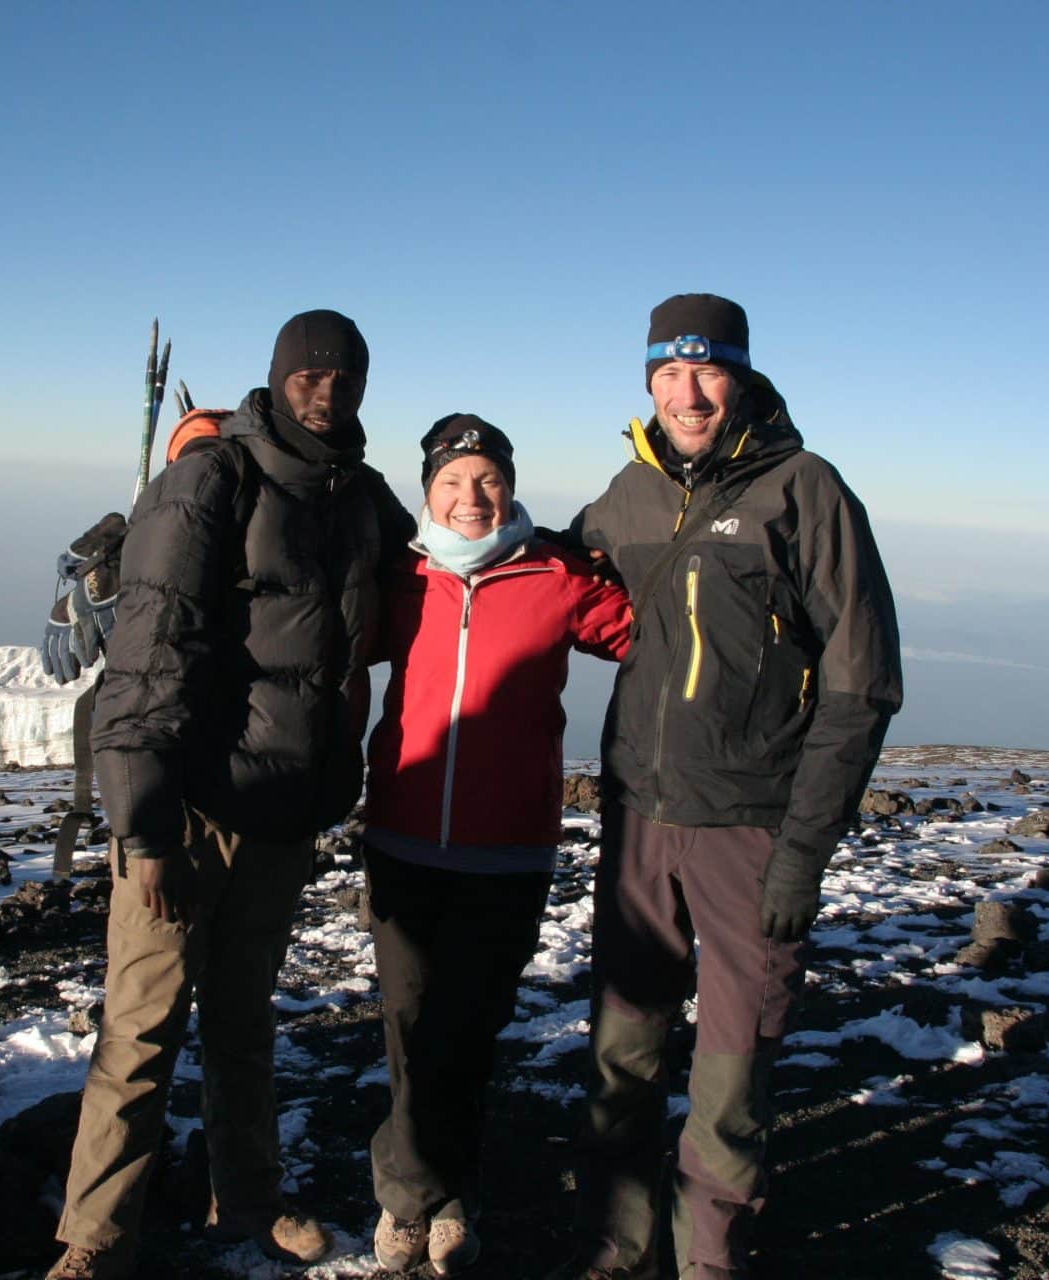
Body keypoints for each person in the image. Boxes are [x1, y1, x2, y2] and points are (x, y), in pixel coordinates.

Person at [46, 310, 411, 1280]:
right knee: (142, 1028)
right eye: (309, 373)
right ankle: (95, 1239)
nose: (327, 389)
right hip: (188, 812)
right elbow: (148, 659)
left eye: (345, 375)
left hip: (282, 815)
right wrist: (145, 825)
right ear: (279, 374)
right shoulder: (214, 479)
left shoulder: (362, 496)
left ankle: (247, 1200)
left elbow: (441, 574)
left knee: (245, 1021)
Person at [553, 295, 903, 1279]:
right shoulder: (631, 492)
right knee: (621, 1056)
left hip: (749, 827)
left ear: (741, 375)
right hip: (638, 821)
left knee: (732, 1066)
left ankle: (710, 1260)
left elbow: (861, 681)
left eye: (706, 371)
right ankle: (618, 1249)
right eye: (667, 372)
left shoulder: (806, 490)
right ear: (649, 383)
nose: (686, 392)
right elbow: (545, 568)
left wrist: (804, 847)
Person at [361, 415, 632, 1277]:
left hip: (508, 849)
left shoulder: (556, 575)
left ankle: (429, 1198)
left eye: (486, 479)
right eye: (452, 482)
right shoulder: (399, 576)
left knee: (467, 1032)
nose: (471, 498)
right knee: (410, 1029)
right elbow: (302, 624)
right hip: (403, 837)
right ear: (427, 491)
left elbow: (654, 634)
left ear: (509, 486)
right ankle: (426, 1202)